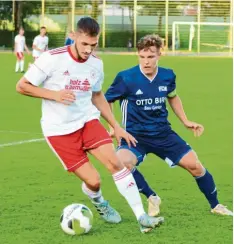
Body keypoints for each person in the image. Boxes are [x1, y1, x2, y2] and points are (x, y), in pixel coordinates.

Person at [16, 18, 164, 233]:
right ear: (74, 36)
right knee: (94, 182)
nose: (88, 49)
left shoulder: (96, 63)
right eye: (84, 44)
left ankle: (141, 217)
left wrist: (115, 125)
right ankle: (99, 202)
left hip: (87, 121)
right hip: (59, 131)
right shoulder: (51, 59)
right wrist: (54, 95)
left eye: (93, 45)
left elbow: (97, 95)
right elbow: (22, 86)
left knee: (115, 164)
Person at [105, 34, 233, 217]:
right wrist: (114, 127)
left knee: (195, 166)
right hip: (135, 136)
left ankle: (216, 205)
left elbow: (172, 97)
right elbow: (106, 100)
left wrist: (186, 121)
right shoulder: (126, 78)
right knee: (122, 162)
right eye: (142, 57)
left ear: (159, 55)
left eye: (151, 57)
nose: (146, 62)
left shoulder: (167, 75)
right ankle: (151, 196)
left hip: (163, 133)